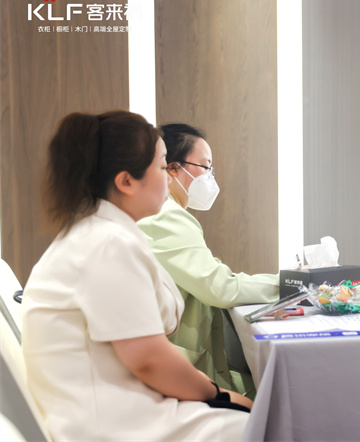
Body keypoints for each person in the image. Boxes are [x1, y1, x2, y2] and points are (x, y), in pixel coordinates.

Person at [21, 111, 252, 441]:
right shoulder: (107, 244)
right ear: (126, 181)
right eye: (162, 167)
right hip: (112, 424)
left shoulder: (100, 233)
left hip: (109, 407)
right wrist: (218, 395)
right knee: (273, 422)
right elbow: (148, 359)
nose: (169, 179)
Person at [137, 123, 278, 397]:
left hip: (180, 360)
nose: (210, 178)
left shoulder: (166, 213)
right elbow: (220, 287)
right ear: (172, 168)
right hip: (176, 368)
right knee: (276, 392)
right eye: (205, 167)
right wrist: (290, 284)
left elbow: (215, 276)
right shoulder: (167, 215)